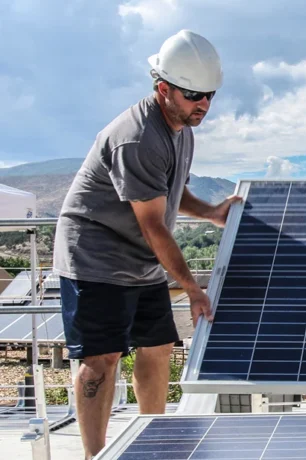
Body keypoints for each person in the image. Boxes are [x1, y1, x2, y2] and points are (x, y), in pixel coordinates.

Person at [53, 30, 240, 458]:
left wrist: (211, 212)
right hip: (94, 258)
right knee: (102, 360)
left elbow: (173, 193)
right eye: (194, 94)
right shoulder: (138, 138)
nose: (204, 105)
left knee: (156, 349)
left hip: (142, 259)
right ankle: (95, 454)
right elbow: (156, 225)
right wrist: (193, 288)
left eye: (210, 94)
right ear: (163, 88)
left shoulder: (182, 130)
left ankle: (154, 439)